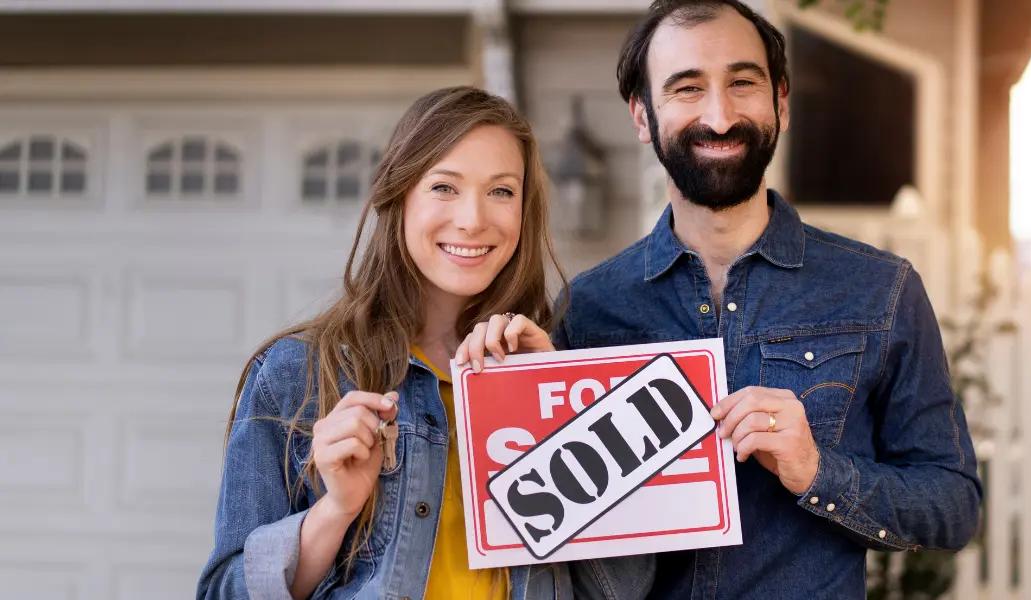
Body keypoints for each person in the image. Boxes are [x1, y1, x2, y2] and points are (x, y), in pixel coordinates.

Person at [458, 1, 983, 598]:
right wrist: (529, 397)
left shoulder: (881, 290)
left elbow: (953, 506)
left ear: (780, 102)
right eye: (686, 88)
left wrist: (816, 470)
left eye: (742, 82)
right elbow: (563, 552)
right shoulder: (590, 307)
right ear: (641, 114)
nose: (720, 114)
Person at [197, 86, 575, 599]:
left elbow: (623, 586)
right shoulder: (297, 375)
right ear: (397, 195)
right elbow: (225, 593)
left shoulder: (560, 369)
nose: (473, 219)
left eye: (501, 191)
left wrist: (562, 415)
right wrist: (336, 510)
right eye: (444, 187)